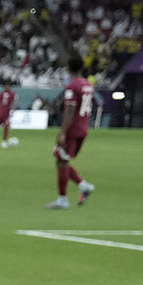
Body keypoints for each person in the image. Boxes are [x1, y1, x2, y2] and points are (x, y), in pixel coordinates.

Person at [47, 70, 97, 210]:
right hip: (83, 127)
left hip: (72, 128)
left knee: (62, 161)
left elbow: (70, 110)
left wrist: (62, 132)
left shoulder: (73, 87)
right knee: (61, 161)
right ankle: (83, 186)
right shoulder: (88, 85)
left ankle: (64, 199)